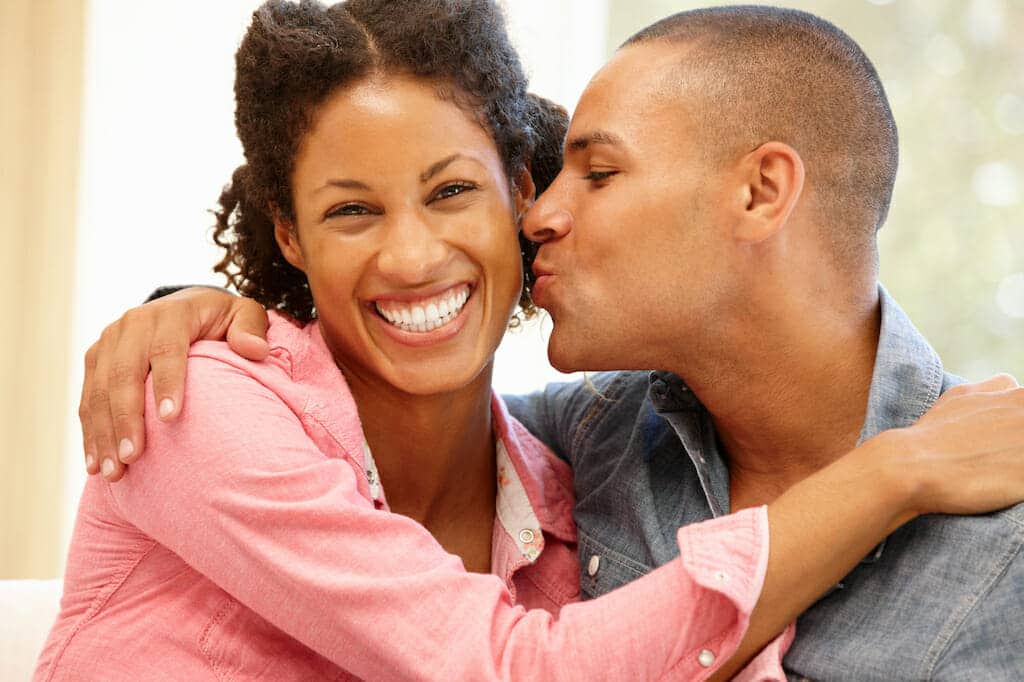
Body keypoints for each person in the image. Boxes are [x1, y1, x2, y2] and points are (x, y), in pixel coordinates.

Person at [71, 3, 1024, 680]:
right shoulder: (598, 441)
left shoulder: (567, 466)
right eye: (352, 211)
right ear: (291, 232)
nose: (543, 218)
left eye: (598, 174)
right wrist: (186, 308)